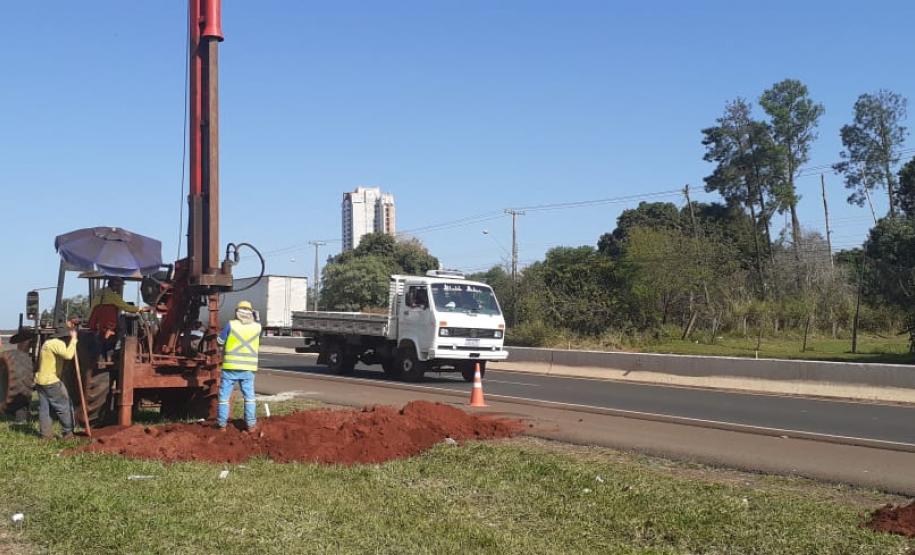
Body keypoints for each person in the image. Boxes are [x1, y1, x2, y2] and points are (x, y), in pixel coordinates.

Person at [215, 301, 262, 432]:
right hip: (248, 369)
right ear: (251, 312)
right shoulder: (257, 327)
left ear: (237, 312)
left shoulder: (231, 325)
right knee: (249, 397)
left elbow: (219, 341)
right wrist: (258, 319)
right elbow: (259, 334)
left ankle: (221, 425)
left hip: (230, 367)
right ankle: (251, 425)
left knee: (224, 397)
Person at [35, 326, 78, 439]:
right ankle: (68, 433)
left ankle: (46, 435)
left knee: (45, 409)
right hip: (51, 381)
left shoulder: (47, 343)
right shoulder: (57, 343)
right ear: (65, 337)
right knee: (64, 406)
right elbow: (68, 355)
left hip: (40, 381)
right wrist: (74, 340)